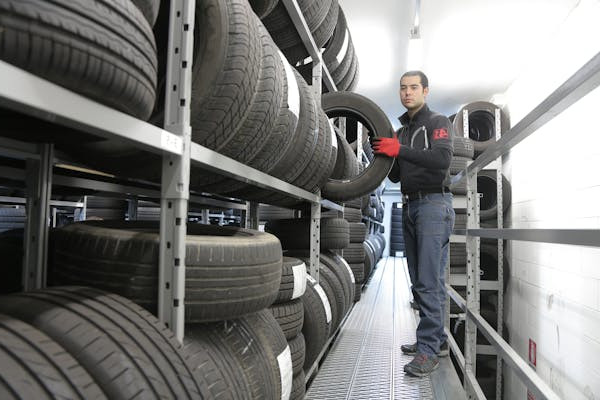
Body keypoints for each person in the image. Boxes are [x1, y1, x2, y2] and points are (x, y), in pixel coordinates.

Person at [372, 70, 455, 377]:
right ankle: (436, 340)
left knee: (430, 281)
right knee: (420, 281)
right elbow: (396, 176)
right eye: (403, 88)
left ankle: (428, 351)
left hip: (434, 204)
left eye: (413, 87)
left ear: (426, 91)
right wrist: (384, 155)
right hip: (410, 206)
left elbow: (441, 160)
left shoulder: (438, 123)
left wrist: (399, 150)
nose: (407, 93)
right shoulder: (401, 131)